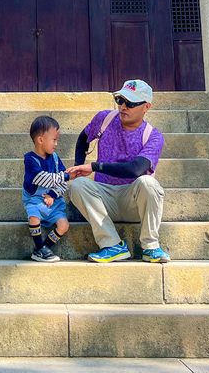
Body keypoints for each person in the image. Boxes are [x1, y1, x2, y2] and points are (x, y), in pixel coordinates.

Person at [66, 78, 170, 263]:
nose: (123, 106)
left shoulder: (153, 137)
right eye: (120, 100)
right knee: (78, 185)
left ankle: (151, 247)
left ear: (146, 107)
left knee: (149, 183)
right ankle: (112, 245)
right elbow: (83, 138)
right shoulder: (105, 119)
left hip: (133, 203)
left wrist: (93, 166)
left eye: (130, 103)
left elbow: (135, 169)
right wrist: (78, 165)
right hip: (104, 199)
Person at [23, 115, 70, 262]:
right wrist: (67, 176)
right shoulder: (30, 160)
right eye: (54, 139)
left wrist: (52, 195)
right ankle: (40, 248)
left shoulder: (55, 158)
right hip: (34, 200)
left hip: (53, 201)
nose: (56, 144)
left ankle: (42, 248)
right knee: (33, 218)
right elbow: (44, 178)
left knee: (64, 225)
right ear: (40, 140)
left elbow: (62, 184)